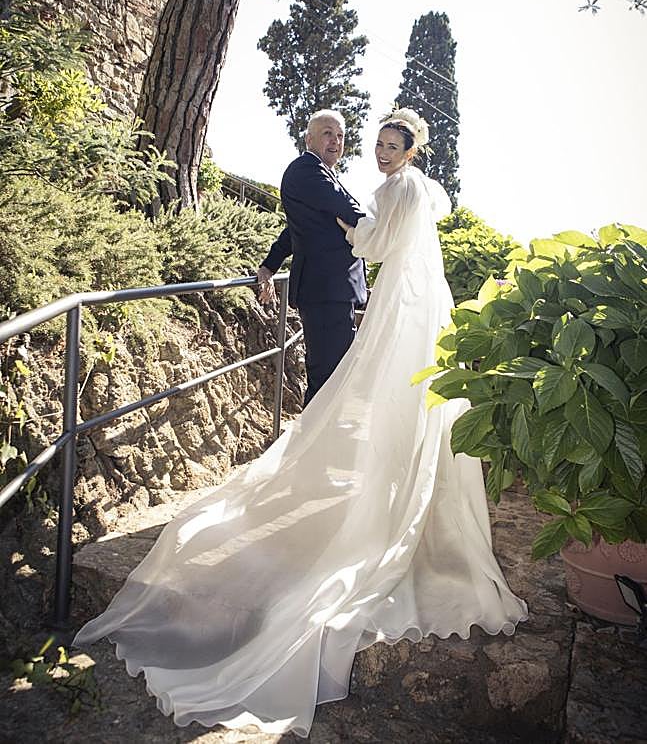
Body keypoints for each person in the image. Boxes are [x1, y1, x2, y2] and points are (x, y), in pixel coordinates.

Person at [73, 108, 528, 738]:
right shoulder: (333, 176)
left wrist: (335, 236)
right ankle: (349, 469)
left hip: (378, 295)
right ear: (311, 139)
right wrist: (318, 242)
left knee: (353, 390)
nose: (369, 149)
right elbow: (332, 223)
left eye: (384, 144)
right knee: (346, 391)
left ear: (409, 149)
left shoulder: (388, 187)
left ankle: (349, 472)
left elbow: (361, 237)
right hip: (375, 296)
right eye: (360, 140)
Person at [257, 109, 367, 405]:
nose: (336, 141)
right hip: (326, 292)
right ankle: (312, 435)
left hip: (332, 293)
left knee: (334, 378)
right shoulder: (308, 171)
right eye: (328, 134)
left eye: (340, 136)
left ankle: (321, 433)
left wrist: (269, 265)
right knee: (329, 381)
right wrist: (390, 231)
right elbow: (349, 212)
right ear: (308, 139)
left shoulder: (320, 173)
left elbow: (296, 230)